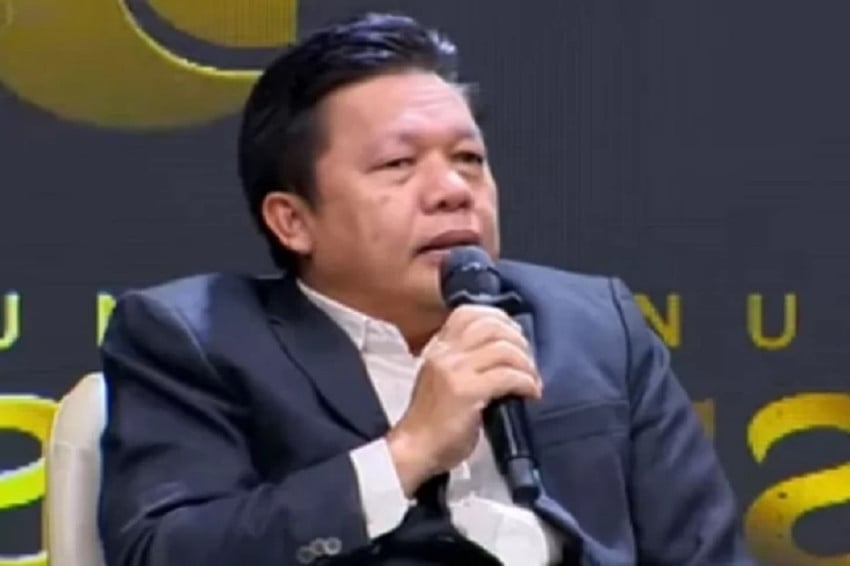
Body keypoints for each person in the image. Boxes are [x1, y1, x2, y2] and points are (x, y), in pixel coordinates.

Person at [97, 12, 755, 566]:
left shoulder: (596, 326)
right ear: (293, 220)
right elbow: (165, 552)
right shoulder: (196, 338)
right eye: (398, 163)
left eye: (469, 159)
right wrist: (407, 451)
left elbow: (705, 553)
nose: (452, 190)